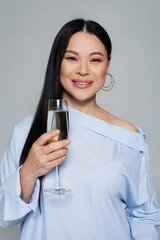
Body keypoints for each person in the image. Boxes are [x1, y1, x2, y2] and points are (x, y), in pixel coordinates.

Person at [0, 18, 160, 240]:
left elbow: (145, 216)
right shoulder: (26, 131)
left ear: (108, 65)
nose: (83, 70)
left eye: (95, 60)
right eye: (72, 58)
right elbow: (5, 216)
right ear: (58, 62)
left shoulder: (127, 138)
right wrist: (29, 170)